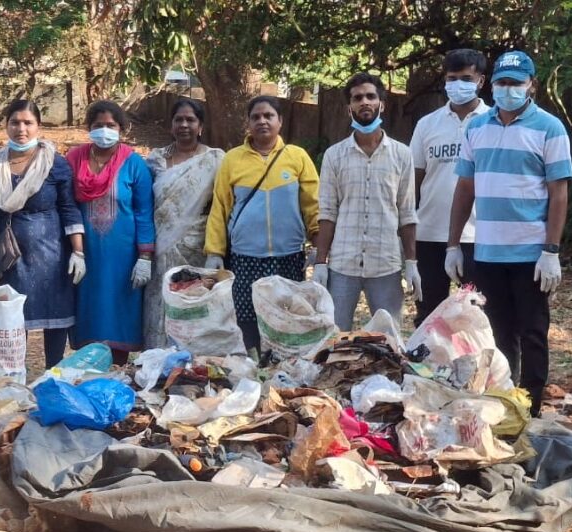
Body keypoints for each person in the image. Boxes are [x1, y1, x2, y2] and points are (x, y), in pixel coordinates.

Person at [447, 50, 572, 417]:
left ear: (531, 85)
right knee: (497, 335)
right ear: (492, 84)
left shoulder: (549, 127)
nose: (508, 89)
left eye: (516, 83)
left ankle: (530, 409)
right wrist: (453, 245)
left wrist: (551, 250)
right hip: (487, 252)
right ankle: (504, 403)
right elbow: (464, 188)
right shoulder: (476, 127)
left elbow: (559, 192)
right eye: (502, 82)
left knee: (533, 335)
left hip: (531, 254)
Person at [204, 95, 319, 352]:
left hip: (288, 256)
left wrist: (318, 244)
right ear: (248, 122)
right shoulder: (233, 159)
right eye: (255, 117)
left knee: (287, 316)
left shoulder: (297, 157)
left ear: (280, 121)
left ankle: (283, 367)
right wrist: (214, 251)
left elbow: (313, 204)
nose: (262, 121)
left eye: (269, 116)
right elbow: (220, 207)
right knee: (247, 316)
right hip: (245, 257)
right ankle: (251, 365)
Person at [314, 72, 421, 332]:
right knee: (332, 338)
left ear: (382, 104)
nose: (365, 102)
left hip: (385, 263)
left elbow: (406, 213)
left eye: (371, 96)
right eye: (357, 98)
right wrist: (320, 263)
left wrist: (411, 263)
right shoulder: (334, 155)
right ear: (348, 107)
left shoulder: (402, 154)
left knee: (388, 341)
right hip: (342, 264)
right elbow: (327, 212)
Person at [0, 100, 85, 368]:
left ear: (38, 126)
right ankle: (16, 374)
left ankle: (53, 373)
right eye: (15, 122)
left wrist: (78, 252)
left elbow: (69, 208)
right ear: (6, 126)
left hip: (51, 253)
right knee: (15, 316)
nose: (21, 128)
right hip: (12, 254)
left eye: (28, 122)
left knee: (56, 315)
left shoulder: (54, 163)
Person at [66, 100, 155, 365]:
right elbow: (67, 204)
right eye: (98, 125)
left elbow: (144, 211)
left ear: (122, 129)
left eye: (110, 125)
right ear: (88, 128)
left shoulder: (133, 163)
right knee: (88, 310)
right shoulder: (74, 159)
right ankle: (87, 370)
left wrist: (145, 256)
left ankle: (117, 370)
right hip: (86, 254)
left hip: (123, 256)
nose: (104, 130)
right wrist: (75, 251)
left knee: (120, 311)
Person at [409, 49, 490, 326]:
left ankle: (477, 369)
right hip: (429, 235)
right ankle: (425, 370)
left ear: (480, 80)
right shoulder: (427, 124)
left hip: (476, 236)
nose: (458, 84)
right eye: (452, 78)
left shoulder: (492, 122)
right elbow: (413, 181)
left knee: (477, 317)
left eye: (466, 78)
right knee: (429, 317)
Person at [144, 98, 225, 349]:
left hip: (197, 247)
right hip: (161, 248)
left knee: (193, 305)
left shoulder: (215, 160)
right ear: (171, 125)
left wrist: (216, 250)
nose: (184, 124)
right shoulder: (156, 160)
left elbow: (221, 206)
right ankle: (157, 362)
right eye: (178, 119)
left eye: (191, 120)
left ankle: (193, 365)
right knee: (160, 304)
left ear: (200, 126)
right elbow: (146, 204)